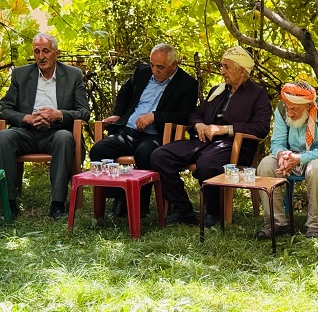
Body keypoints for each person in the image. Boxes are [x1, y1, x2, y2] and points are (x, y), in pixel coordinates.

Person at [151, 46, 271, 226]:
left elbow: (261, 128)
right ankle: (183, 209)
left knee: (207, 164)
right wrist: (199, 124)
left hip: (234, 145)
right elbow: (195, 113)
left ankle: (214, 212)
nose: (222, 71)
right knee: (160, 155)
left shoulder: (258, 93)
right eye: (222, 66)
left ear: (242, 70)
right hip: (203, 141)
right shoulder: (218, 90)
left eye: (227, 67)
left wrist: (225, 129)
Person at [90, 43, 198, 218]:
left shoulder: (187, 84)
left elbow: (184, 116)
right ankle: (120, 196)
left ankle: (141, 204)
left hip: (155, 134)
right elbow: (124, 92)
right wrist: (118, 114)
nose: (155, 70)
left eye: (160, 67)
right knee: (99, 150)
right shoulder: (142, 72)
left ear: (174, 64)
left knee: (145, 154)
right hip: (128, 130)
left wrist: (155, 116)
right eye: (152, 65)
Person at [0, 33, 90, 219]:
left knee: (65, 137)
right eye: (37, 51)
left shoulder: (73, 75)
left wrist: (58, 115)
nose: (41, 56)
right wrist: (26, 118)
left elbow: (84, 112)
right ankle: (8, 204)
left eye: (46, 51)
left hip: (56, 132)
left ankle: (57, 205)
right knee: (4, 137)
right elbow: (3, 108)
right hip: (26, 132)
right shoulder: (21, 74)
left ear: (56, 53)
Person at [255, 81, 318, 239]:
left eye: (294, 109)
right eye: (287, 107)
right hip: (291, 154)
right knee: (266, 165)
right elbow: (277, 142)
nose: (289, 113)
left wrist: (301, 158)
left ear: (308, 106)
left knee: (315, 170)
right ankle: (276, 223)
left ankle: (314, 227)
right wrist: (281, 154)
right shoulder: (282, 108)